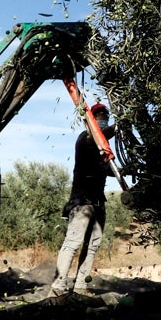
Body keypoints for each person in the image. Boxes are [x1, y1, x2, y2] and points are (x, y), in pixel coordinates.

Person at [50, 102, 116, 295]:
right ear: (90, 120)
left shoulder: (102, 145)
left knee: (93, 245)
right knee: (72, 243)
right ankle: (58, 287)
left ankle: (80, 287)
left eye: (105, 115)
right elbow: (98, 138)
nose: (103, 118)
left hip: (97, 203)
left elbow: (105, 164)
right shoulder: (85, 139)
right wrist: (115, 129)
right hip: (82, 203)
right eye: (99, 116)